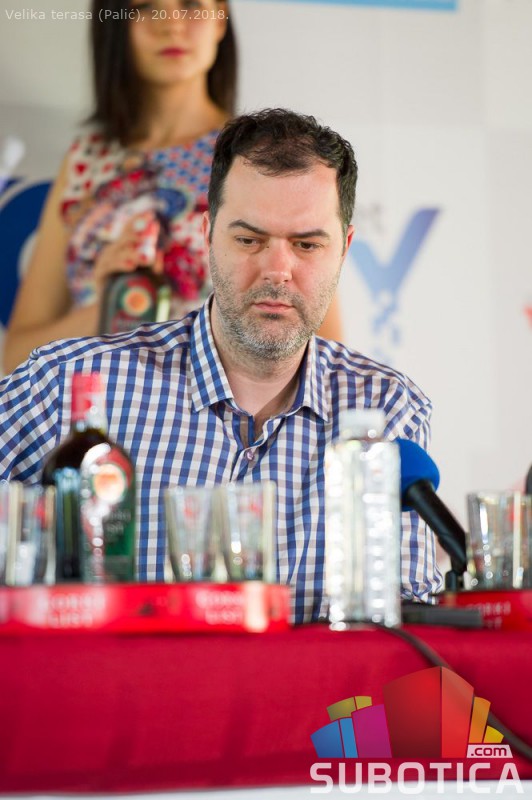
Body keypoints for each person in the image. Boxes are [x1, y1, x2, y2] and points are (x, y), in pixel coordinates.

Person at [0, 108, 442, 622]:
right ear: (208, 233)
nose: (277, 270)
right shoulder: (65, 385)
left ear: (343, 248)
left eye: (306, 244)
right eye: (249, 240)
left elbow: (407, 625)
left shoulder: (388, 410)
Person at [2, 0, 343, 375]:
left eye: (190, 4)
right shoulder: (86, 161)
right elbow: (16, 356)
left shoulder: (259, 161)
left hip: (219, 404)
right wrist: (111, 305)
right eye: (146, 7)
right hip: (96, 401)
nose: (171, 24)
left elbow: (324, 350)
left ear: (219, 18)